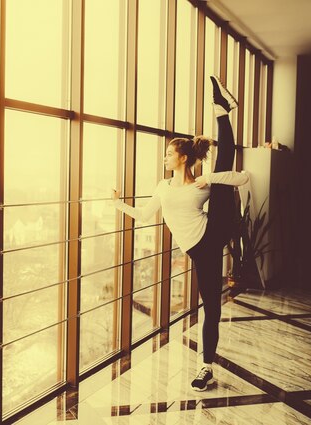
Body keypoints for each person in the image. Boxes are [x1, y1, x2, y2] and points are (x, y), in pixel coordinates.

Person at [111, 76, 249, 391]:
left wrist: (210, 178)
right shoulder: (162, 187)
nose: (164, 158)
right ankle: (223, 110)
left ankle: (205, 368)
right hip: (197, 249)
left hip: (212, 233)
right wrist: (117, 203)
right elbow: (145, 215)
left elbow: (243, 178)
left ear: (183, 158)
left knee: (210, 306)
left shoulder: (203, 183)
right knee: (210, 303)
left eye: (168, 155)